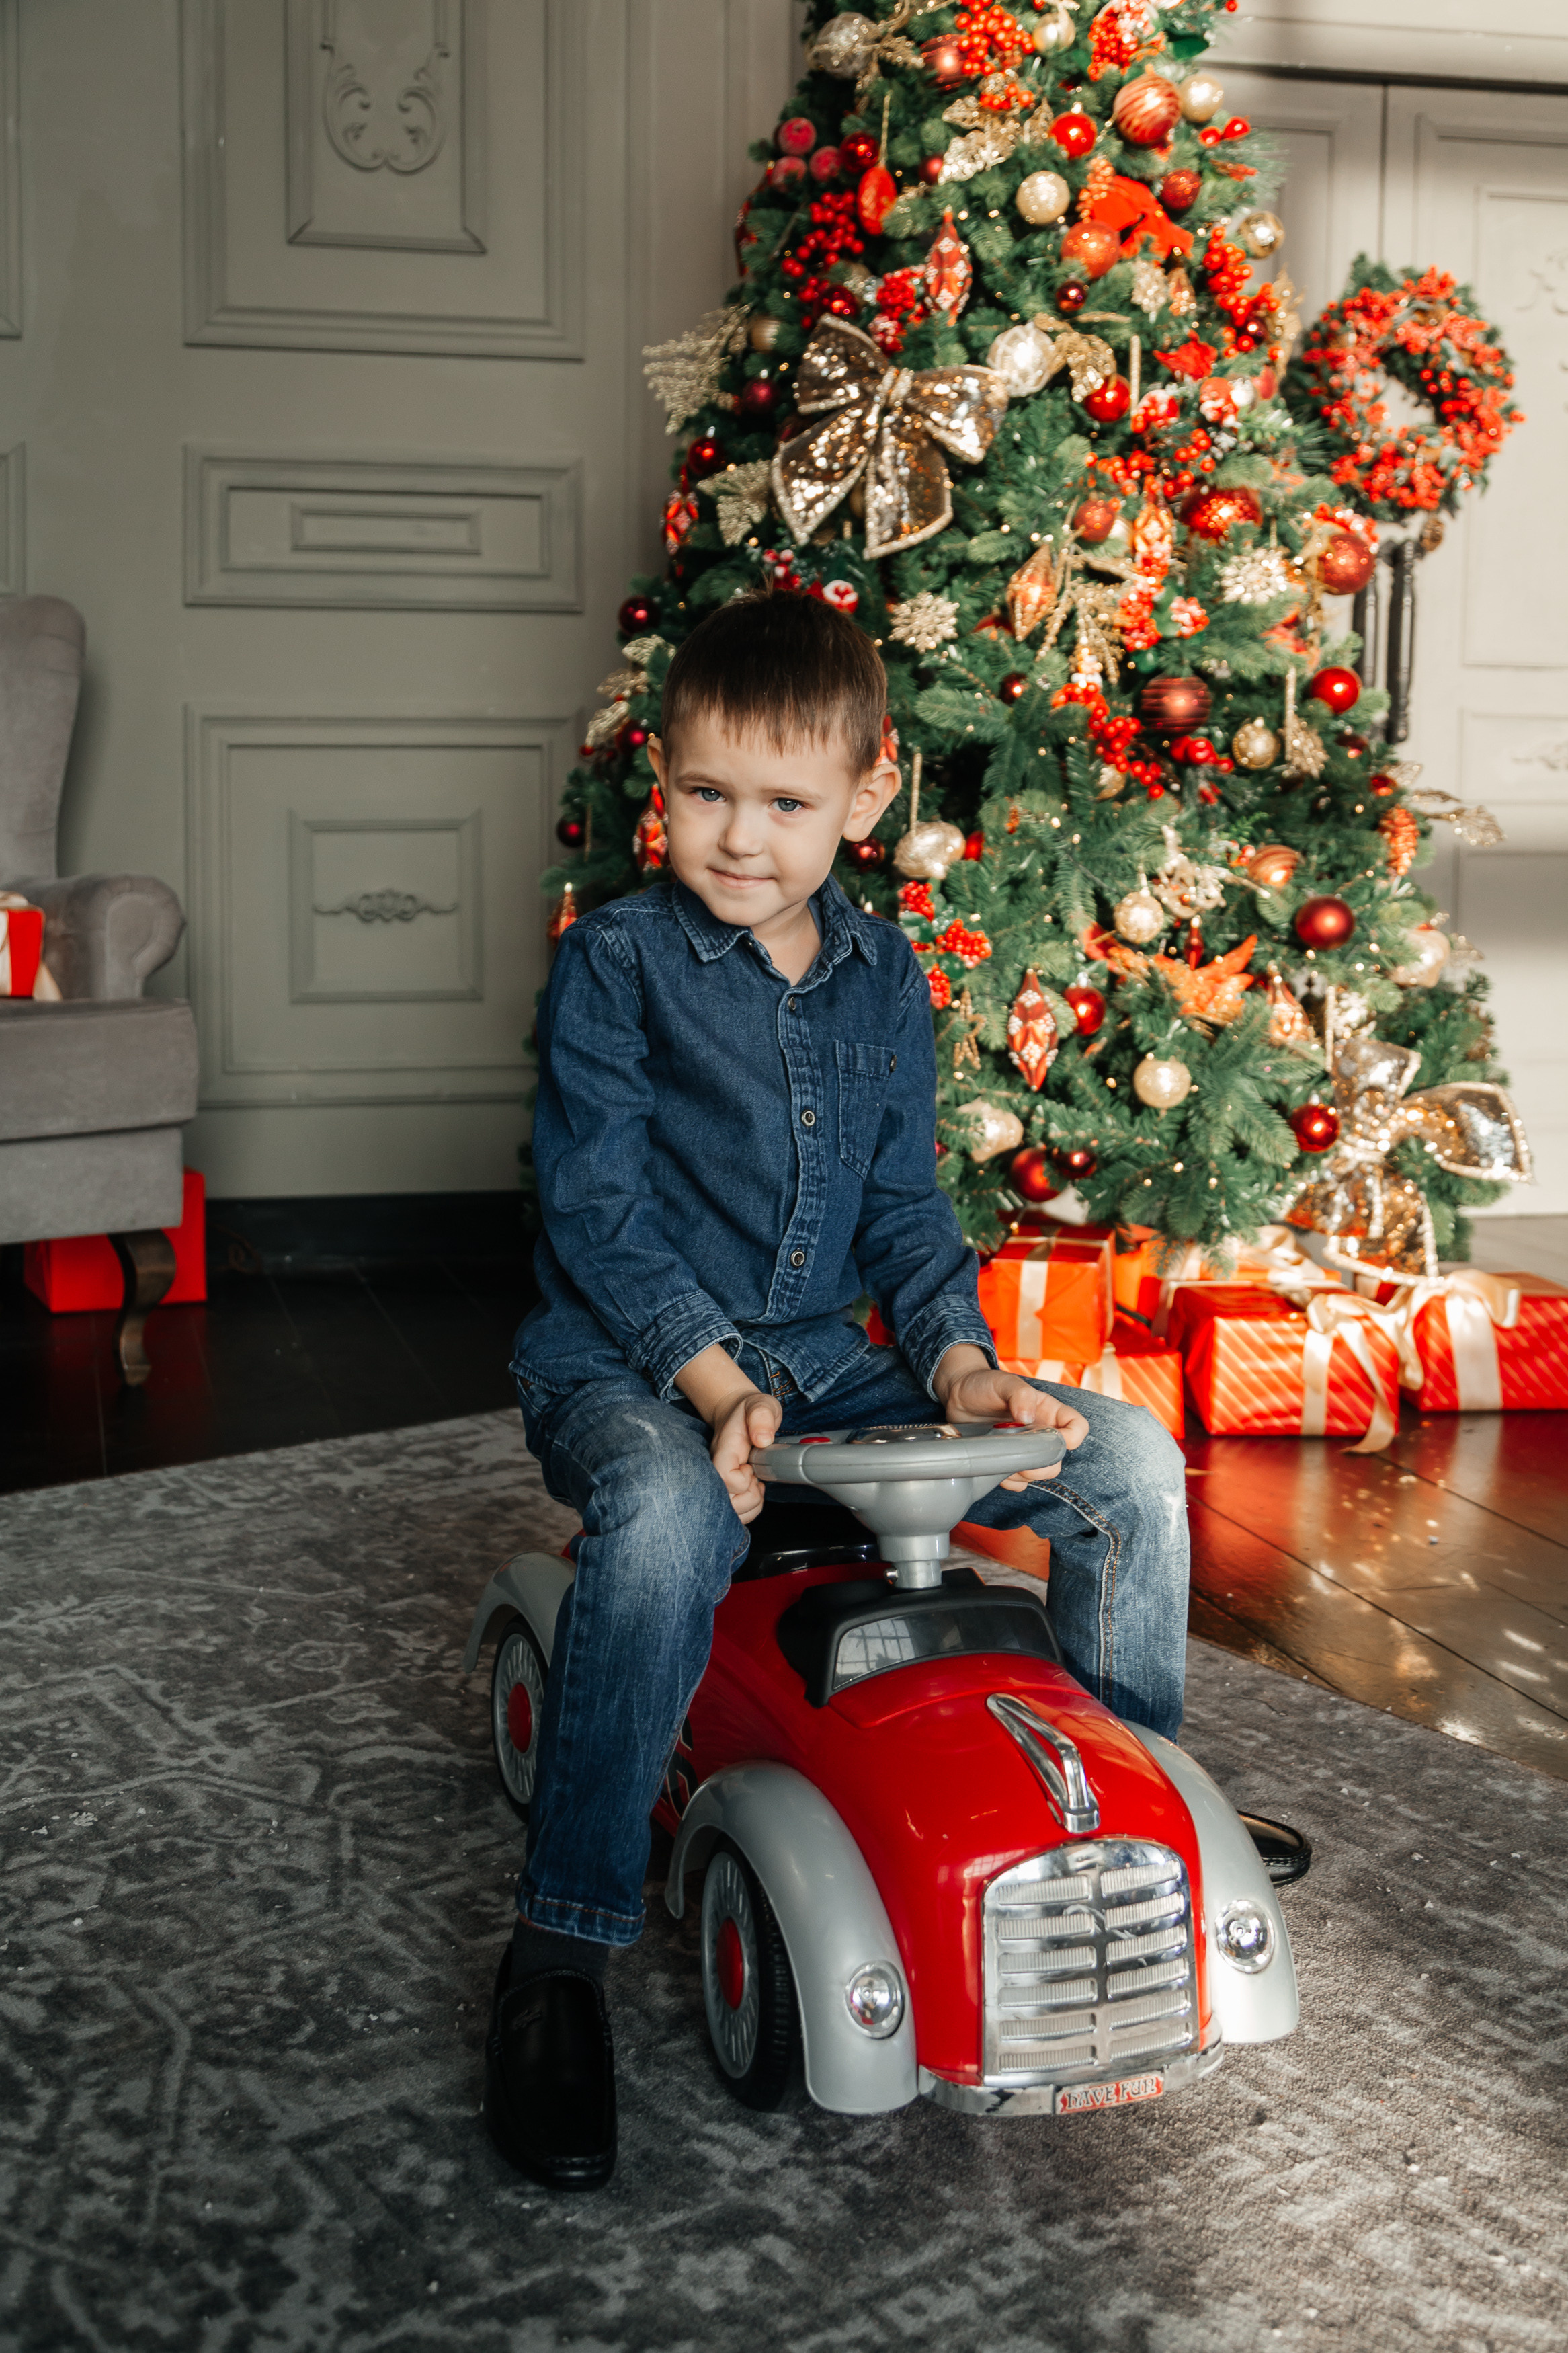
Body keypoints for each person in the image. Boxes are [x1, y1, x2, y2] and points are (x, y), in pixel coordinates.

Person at [487, 589, 1189, 2188]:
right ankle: (559, 1950)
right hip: (627, 1361)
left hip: (831, 1363)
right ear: (663, 779)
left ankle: (1125, 1809)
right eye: (707, 793)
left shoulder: (886, 976)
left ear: (867, 799)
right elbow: (596, 1216)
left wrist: (961, 1365)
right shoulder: (616, 963)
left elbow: (905, 1218)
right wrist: (713, 1388)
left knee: (1130, 1468)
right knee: (672, 1518)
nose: (741, 837)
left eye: (786, 803)